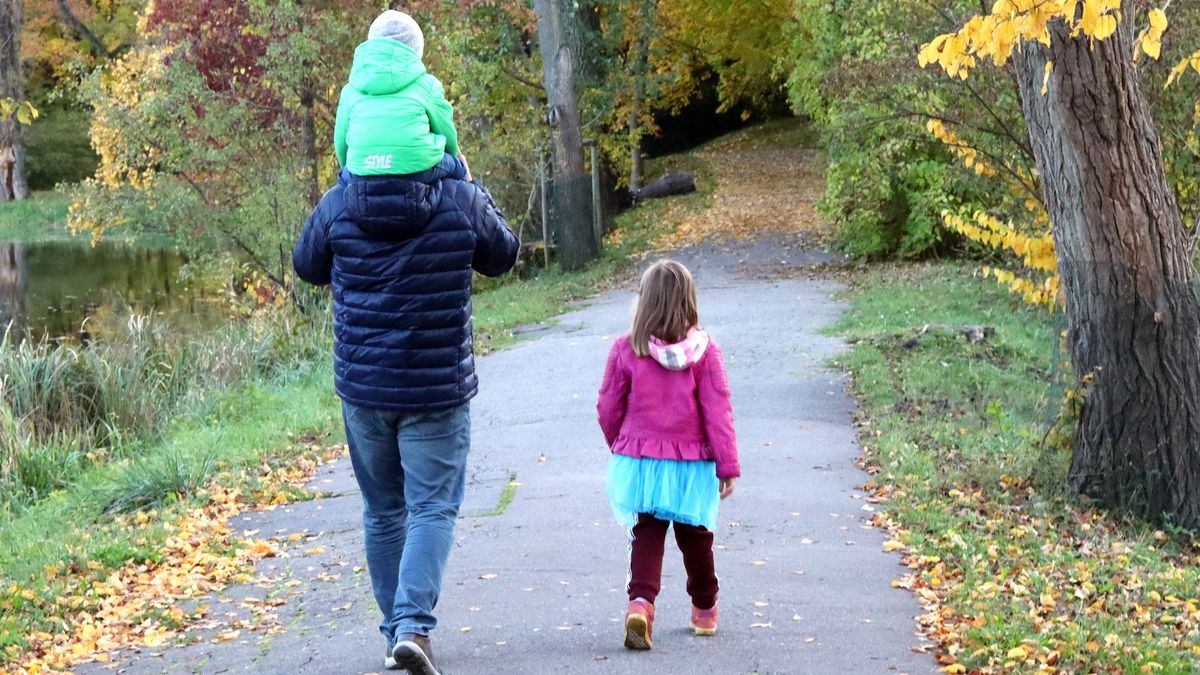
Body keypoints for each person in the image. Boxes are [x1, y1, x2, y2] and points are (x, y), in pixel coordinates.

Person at [292, 144, 519, 674]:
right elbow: (503, 254)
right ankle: (413, 626)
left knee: (383, 511)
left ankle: (397, 631)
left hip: (365, 389)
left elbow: (305, 265)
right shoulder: (458, 196)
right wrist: (469, 178)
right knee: (433, 507)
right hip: (435, 388)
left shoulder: (339, 202)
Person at [596, 259, 740, 650]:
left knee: (647, 533)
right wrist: (727, 465)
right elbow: (718, 410)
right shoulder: (705, 353)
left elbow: (608, 406)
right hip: (692, 465)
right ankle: (705, 608)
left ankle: (640, 605)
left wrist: (622, 445)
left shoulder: (627, 349)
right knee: (696, 537)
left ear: (644, 304)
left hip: (642, 461)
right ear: (688, 302)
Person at [335, 10, 465, 184]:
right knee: (458, 166)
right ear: (416, 48)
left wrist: (351, 168)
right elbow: (447, 134)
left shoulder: (350, 91)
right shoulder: (428, 85)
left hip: (362, 169)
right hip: (418, 169)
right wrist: (455, 158)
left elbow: (341, 145)